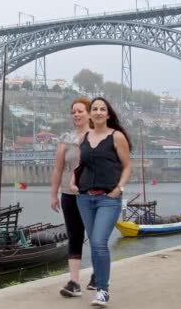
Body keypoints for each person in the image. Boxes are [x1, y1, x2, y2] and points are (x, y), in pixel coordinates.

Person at [72, 97, 132, 307]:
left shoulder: (117, 137)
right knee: (95, 245)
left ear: (108, 114)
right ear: (91, 114)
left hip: (108, 198)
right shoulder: (84, 138)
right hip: (84, 198)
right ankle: (98, 285)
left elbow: (127, 167)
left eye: (102, 109)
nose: (98, 112)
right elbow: (80, 166)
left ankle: (103, 291)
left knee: (98, 242)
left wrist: (119, 189)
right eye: (94, 109)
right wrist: (73, 182)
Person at [50, 97, 93, 298]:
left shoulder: (97, 137)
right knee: (74, 236)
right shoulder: (65, 139)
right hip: (69, 195)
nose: (76, 115)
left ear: (89, 113)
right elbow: (58, 169)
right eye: (73, 112)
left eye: (80, 111)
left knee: (96, 236)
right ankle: (74, 282)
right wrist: (54, 194)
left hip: (92, 194)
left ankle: (98, 275)